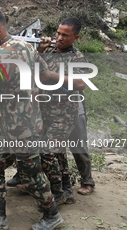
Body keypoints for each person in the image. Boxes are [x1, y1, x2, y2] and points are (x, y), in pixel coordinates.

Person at [0, 7, 63, 230]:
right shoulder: (26, 46)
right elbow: (43, 74)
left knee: (31, 175)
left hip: (21, 130)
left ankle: (52, 216)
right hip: (22, 125)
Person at [36, 17, 89, 204]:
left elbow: (82, 83)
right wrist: (39, 52)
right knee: (57, 153)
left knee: (47, 151)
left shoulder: (77, 58)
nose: (59, 37)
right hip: (44, 111)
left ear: (75, 37)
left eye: (65, 35)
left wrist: (52, 75)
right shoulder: (48, 50)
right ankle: (65, 186)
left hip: (64, 114)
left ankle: (57, 195)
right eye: (58, 32)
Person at [68, 94, 95, 195]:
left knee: (79, 148)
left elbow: (80, 84)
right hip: (49, 112)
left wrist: (51, 76)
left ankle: (87, 181)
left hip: (75, 112)